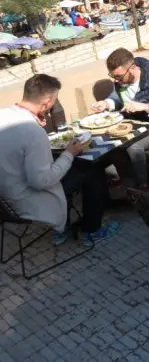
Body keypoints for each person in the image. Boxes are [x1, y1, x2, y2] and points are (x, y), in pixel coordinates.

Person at [0, 74, 119, 245]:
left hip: (4, 199)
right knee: (93, 169)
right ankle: (90, 231)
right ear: (47, 102)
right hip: (26, 200)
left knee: (72, 169)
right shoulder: (33, 132)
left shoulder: (3, 115)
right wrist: (69, 153)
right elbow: (42, 181)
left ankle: (62, 230)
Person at [91, 48, 149, 187]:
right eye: (113, 76)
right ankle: (119, 180)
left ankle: (142, 187)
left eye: (119, 76)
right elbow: (117, 99)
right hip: (134, 127)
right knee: (103, 139)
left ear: (132, 68)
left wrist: (146, 107)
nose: (116, 80)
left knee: (133, 146)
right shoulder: (121, 82)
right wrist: (106, 103)